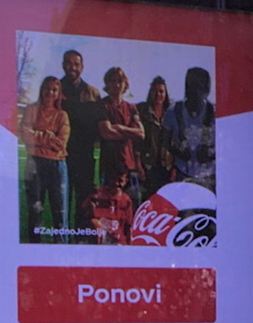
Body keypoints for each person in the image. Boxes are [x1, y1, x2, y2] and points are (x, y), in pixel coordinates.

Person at [57, 49, 104, 223]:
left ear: (82, 67)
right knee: (62, 202)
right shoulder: (56, 90)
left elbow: (100, 125)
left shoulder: (92, 93)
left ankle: (82, 240)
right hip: (61, 156)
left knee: (84, 203)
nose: (72, 67)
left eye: (76, 64)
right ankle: (61, 242)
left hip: (85, 156)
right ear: (63, 65)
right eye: (69, 63)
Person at [21, 75, 71, 235]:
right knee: (35, 211)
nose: (50, 92)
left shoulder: (62, 115)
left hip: (57, 166)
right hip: (35, 164)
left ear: (59, 93)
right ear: (42, 90)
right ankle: (33, 251)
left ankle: (61, 253)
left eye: (54, 89)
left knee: (60, 213)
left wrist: (38, 136)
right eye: (47, 88)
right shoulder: (32, 110)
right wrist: (49, 136)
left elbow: (61, 144)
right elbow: (25, 135)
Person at [96, 66, 145, 201]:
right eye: (112, 81)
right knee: (110, 207)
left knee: (131, 205)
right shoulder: (103, 105)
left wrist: (119, 128)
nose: (116, 84)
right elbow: (106, 132)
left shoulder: (131, 108)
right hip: (109, 165)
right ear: (107, 83)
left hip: (129, 165)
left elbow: (141, 134)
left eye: (120, 81)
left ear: (125, 84)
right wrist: (129, 133)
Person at [165, 66, 216, 192]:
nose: (195, 90)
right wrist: (178, 152)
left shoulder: (215, 114)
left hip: (208, 176)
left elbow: (227, 145)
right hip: (183, 174)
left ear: (206, 88)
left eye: (199, 85)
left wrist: (210, 154)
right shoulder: (173, 111)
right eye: (191, 85)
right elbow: (164, 140)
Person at [137, 74, 175, 198]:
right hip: (148, 166)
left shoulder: (171, 114)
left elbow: (175, 142)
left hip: (166, 167)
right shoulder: (143, 112)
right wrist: (139, 166)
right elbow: (137, 142)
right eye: (154, 91)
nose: (158, 94)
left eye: (161, 91)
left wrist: (174, 168)